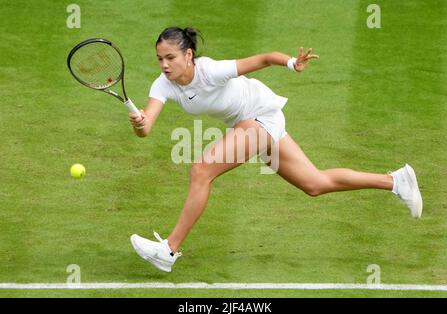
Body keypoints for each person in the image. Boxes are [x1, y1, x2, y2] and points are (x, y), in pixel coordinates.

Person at [129, 27, 423, 273]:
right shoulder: (163, 84)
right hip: (249, 123)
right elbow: (146, 130)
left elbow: (265, 58)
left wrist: (293, 63)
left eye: (170, 57)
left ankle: (169, 249)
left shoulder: (211, 71)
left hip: (261, 116)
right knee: (315, 184)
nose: (164, 65)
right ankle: (396, 181)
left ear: (188, 55)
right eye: (159, 59)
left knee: (202, 170)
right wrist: (139, 122)